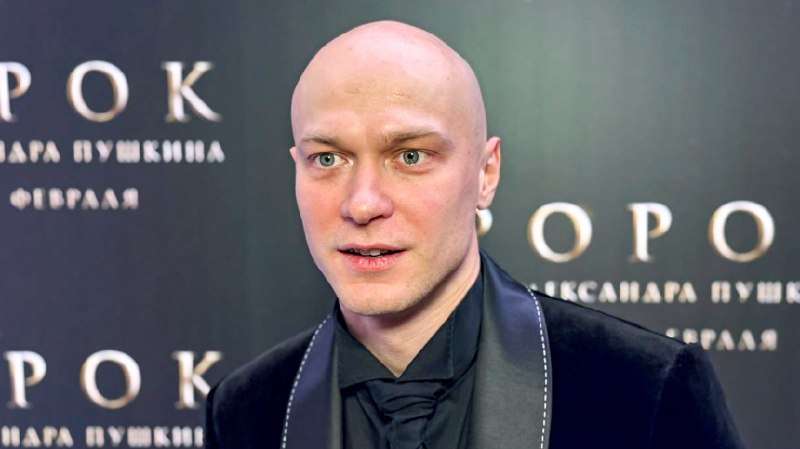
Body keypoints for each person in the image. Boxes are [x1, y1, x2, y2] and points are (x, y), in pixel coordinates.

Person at [205, 20, 746, 449]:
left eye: (410, 156)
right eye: (328, 158)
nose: (362, 203)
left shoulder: (642, 388)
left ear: (486, 173)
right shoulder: (245, 411)